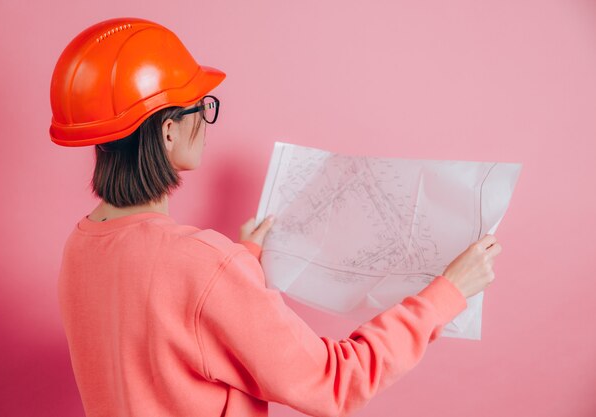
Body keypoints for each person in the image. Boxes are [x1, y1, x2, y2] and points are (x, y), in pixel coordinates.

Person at [50, 17, 502, 417]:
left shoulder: (81, 246)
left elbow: (168, 328)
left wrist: (242, 258)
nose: (206, 120)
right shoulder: (200, 263)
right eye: (201, 106)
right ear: (168, 131)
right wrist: (446, 295)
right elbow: (334, 383)